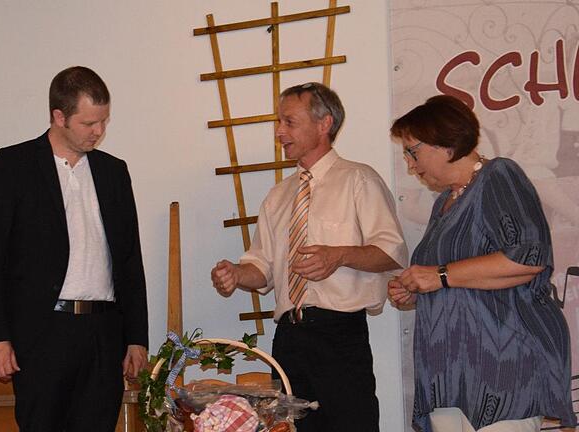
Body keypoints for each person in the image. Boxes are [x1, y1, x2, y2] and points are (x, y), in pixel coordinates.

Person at [210, 82, 408, 432]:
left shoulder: (358, 180)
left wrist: (339, 255)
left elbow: (391, 253)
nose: (279, 132)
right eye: (278, 122)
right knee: (289, 428)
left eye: (289, 121)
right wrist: (237, 275)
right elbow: (262, 268)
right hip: (288, 338)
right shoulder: (279, 196)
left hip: (339, 333)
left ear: (324, 124)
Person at [0, 66, 148, 432]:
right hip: (42, 332)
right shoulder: (12, 165)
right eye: (89, 123)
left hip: (103, 333)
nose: (99, 131)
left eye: (104, 121)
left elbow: (130, 259)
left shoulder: (115, 172)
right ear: (58, 116)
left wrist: (136, 337)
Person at [388, 95, 577, 432]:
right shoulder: (445, 201)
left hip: (502, 367)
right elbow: (453, 279)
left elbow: (527, 258)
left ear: (446, 145)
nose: (410, 164)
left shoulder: (498, 175)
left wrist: (440, 276)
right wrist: (416, 289)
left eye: (413, 151)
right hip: (451, 372)